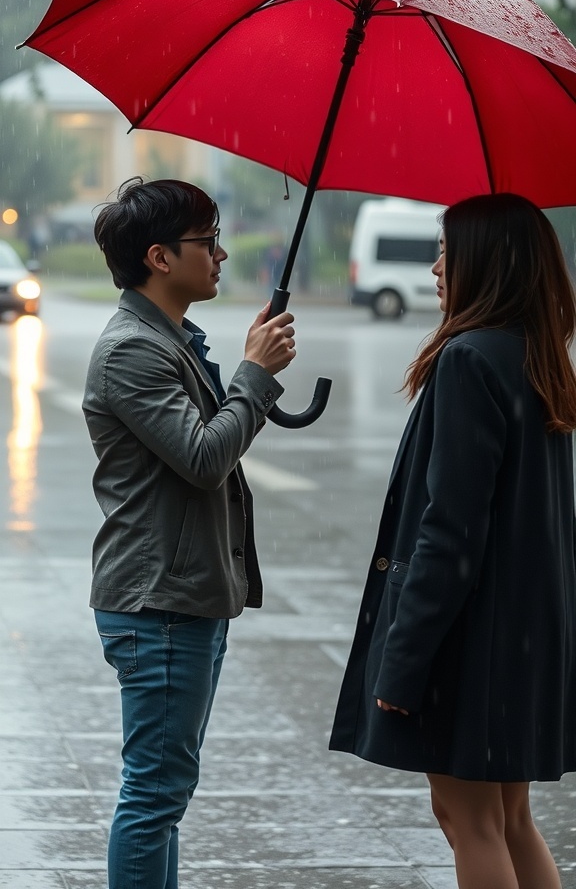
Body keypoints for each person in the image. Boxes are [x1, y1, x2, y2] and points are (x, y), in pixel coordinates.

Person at [330, 193, 576, 889]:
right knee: (509, 819)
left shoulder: (468, 359)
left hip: (475, 637)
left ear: (487, 263)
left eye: (447, 250)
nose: (436, 267)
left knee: (469, 820)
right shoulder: (534, 354)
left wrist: (404, 659)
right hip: (526, 631)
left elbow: (450, 530)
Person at [82, 177, 296, 889]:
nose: (223, 254)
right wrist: (255, 376)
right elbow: (205, 458)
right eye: (207, 242)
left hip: (181, 597)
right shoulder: (131, 352)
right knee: (153, 797)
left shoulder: (168, 340)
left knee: (163, 796)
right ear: (160, 257)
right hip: (160, 603)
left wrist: (246, 374)